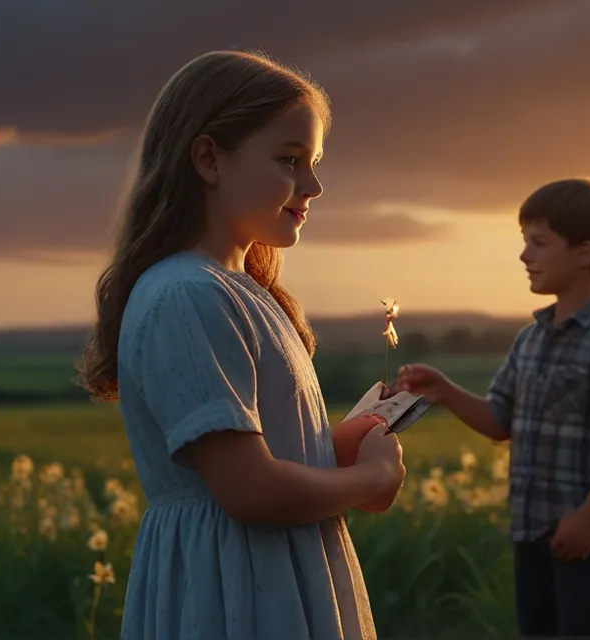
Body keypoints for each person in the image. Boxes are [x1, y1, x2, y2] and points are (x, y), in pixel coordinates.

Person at [76, 49, 405, 640]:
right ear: (208, 158)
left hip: (264, 574)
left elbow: (249, 460)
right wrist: (369, 482)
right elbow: (248, 490)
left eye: (313, 163)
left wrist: (330, 448)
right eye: (289, 160)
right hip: (235, 589)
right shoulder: (188, 296)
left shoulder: (235, 291)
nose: (314, 185)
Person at [396, 177, 590, 637]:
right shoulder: (530, 340)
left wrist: (587, 520)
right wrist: (444, 391)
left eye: (538, 243)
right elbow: (501, 421)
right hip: (531, 529)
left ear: (584, 253)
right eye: (525, 242)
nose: (524, 255)